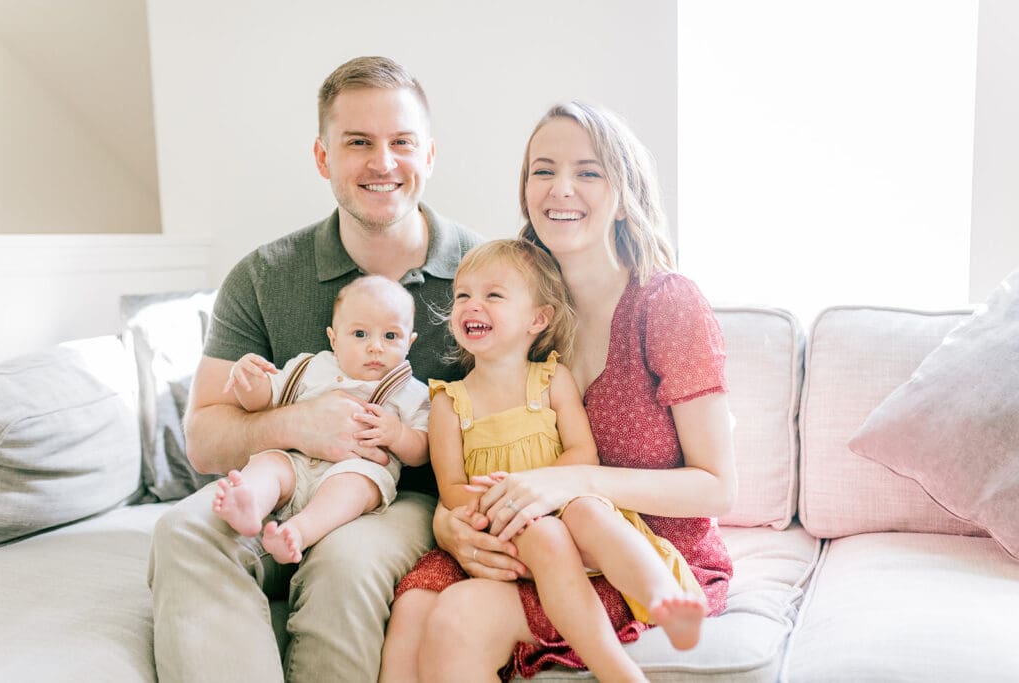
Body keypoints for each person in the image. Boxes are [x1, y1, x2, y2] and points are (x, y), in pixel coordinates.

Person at [147, 56, 483, 683]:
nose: (383, 163)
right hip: (279, 486)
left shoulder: (486, 274)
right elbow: (204, 438)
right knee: (184, 532)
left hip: (396, 500)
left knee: (345, 561)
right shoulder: (263, 275)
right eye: (358, 142)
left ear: (429, 154)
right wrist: (300, 423)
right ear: (323, 157)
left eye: (401, 142)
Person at [410, 102, 738, 682]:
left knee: (460, 617)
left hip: (647, 559)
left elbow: (718, 489)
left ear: (623, 191)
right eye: (543, 170)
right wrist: (448, 524)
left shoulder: (666, 303)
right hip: (541, 540)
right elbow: (475, 446)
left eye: (588, 172)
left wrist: (573, 479)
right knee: (414, 609)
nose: (561, 188)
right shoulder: (519, 309)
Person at [380, 239, 710, 683]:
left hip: (562, 502)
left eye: (493, 295)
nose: (472, 305)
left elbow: (582, 454)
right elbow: (452, 487)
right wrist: (500, 503)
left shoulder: (553, 379)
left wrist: (535, 488)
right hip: (498, 521)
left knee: (587, 514)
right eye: (463, 295)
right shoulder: (448, 401)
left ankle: (664, 600)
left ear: (538, 318)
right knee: (413, 602)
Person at [212, 275, 430, 564]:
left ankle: (299, 532)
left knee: (353, 486)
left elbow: (424, 451)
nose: (375, 347)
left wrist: (399, 435)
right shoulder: (310, 367)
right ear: (334, 338)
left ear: (409, 342)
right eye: (360, 334)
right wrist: (247, 381)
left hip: (357, 469)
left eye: (390, 336)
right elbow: (263, 401)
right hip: (298, 462)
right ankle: (250, 504)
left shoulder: (409, 390)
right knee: (268, 463)